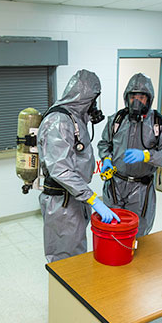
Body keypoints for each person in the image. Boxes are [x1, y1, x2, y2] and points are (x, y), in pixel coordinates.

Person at [38, 69, 120, 262]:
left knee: (74, 248)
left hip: (73, 198)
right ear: (84, 97)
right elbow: (61, 169)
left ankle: (74, 288)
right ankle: (65, 291)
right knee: (65, 256)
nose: (94, 105)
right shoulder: (59, 121)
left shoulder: (74, 118)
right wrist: (93, 199)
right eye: (93, 99)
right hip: (62, 201)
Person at [97, 73, 162, 236]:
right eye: (133, 96)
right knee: (112, 226)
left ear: (149, 99)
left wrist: (147, 156)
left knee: (138, 230)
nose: (137, 101)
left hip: (141, 188)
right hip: (115, 183)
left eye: (142, 97)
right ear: (126, 97)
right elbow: (105, 144)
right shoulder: (116, 120)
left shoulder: (160, 123)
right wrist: (106, 159)